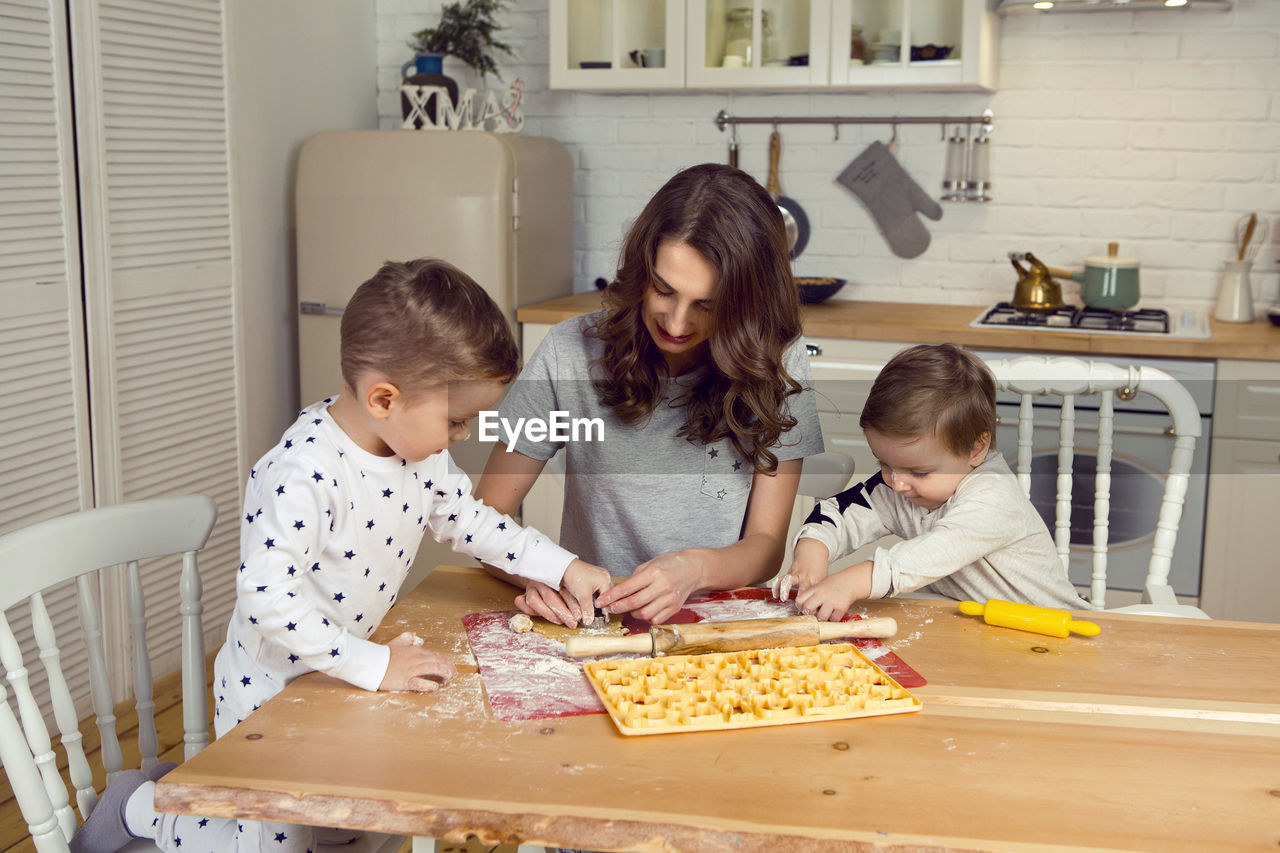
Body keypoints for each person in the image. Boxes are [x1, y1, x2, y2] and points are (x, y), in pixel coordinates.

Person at [71, 259, 611, 853]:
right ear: (383, 398)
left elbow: (475, 522)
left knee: (350, 824)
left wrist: (564, 566)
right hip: (271, 693)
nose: (464, 435)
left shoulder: (420, 455)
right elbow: (266, 598)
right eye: (457, 420)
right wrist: (374, 666)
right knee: (270, 840)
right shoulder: (303, 472)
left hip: (344, 673)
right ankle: (147, 807)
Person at [474, 163, 825, 626]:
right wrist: (545, 574)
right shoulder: (568, 352)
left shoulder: (780, 361)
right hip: (595, 622)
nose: (677, 324)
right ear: (642, 270)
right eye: (663, 290)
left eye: (707, 305)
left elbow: (764, 548)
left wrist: (694, 569)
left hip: (719, 625)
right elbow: (485, 519)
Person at [771, 343, 1094, 621]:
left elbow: (931, 553)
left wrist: (854, 581)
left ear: (976, 449)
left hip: (1056, 628)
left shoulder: (993, 497)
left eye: (920, 472)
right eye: (884, 463)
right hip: (977, 628)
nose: (897, 483)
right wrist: (811, 555)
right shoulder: (901, 481)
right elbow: (838, 512)